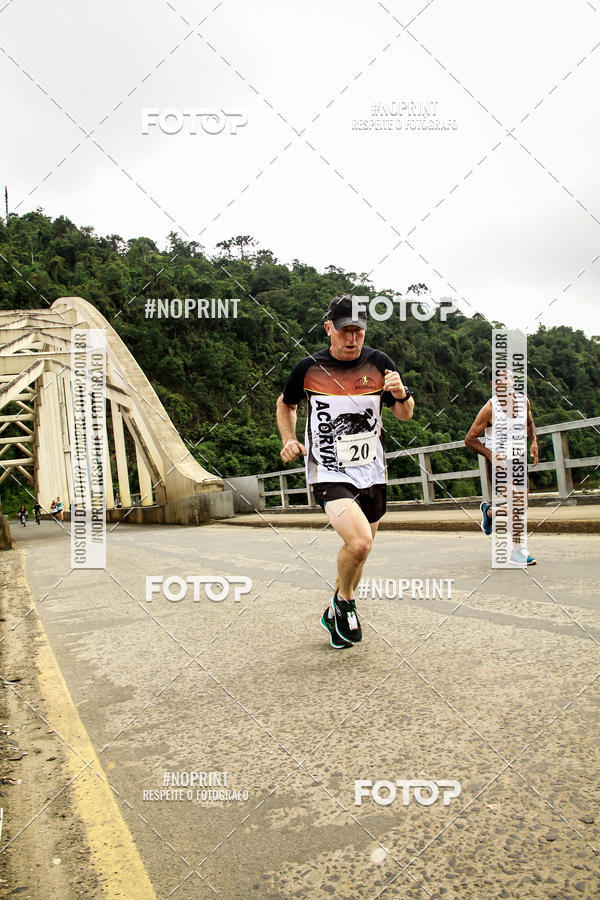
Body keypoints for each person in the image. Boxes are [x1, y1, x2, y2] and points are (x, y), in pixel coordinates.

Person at [277, 294, 415, 649]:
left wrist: (402, 395)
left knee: (361, 551)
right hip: (328, 471)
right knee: (359, 541)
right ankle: (347, 603)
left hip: (372, 471)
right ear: (329, 329)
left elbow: (405, 415)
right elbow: (286, 404)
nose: (352, 339)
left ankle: (337, 606)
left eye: (359, 331)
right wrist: (289, 439)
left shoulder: (379, 364)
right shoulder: (307, 368)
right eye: (344, 331)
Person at [465, 373, 538, 565]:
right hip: (500, 462)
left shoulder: (524, 401)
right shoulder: (490, 409)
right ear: (494, 384)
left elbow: (529, 422)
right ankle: (517, 552)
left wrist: (534, 442)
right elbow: (470, 439)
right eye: (502, 379)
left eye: (510, 378)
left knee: (521, 506)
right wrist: (490, 455)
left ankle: (489, 513)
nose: (507, 381)